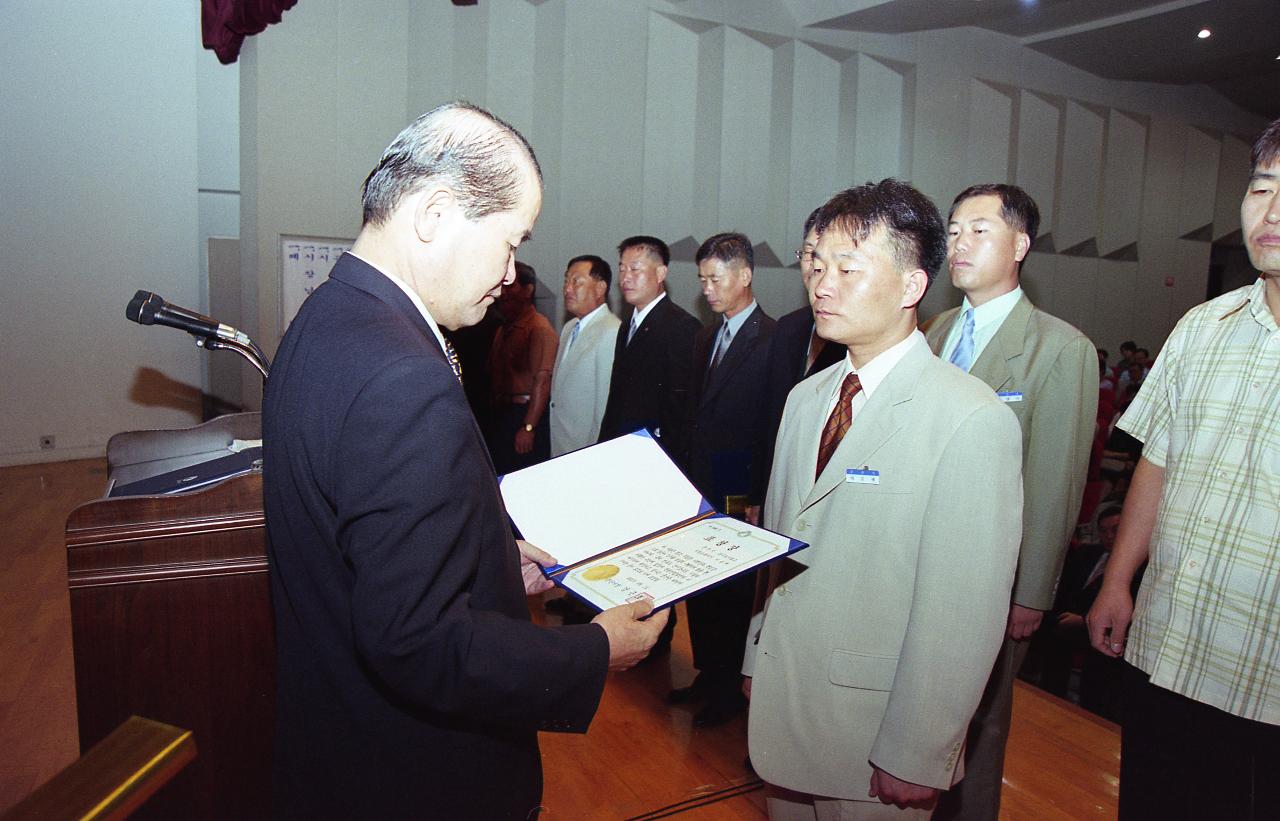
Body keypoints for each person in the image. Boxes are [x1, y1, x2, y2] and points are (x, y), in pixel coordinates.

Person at [262, 101, 667, 821]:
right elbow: (417, 641)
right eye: (510, 242)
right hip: (419, 777)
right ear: (436, 214)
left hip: (340, 751)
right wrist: (592, 650)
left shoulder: (326, 320)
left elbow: (373, 554)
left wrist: (490, 568)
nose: (512, 274)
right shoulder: (400, 373)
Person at [744, 179, 1023, 820]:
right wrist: (757, 654)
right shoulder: (806, 399)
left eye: (848, 268)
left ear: (911, 286)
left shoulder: (970, 418)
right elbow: (781, 551)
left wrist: (919, 750)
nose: (822, 284)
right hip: (788, 703)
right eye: (818, 266)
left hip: (877, 731)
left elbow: (965, 610)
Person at [1087, 117, 1280, 821]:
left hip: (1265, 679)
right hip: (1167, 647)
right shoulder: (1201, 327)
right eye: (1263, 187)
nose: (1273, 211)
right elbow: (1156, 463)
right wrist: (1116, 581)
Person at [924, 184, 1097, 821]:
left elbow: (1056, 480)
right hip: (920, 561)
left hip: (993, 577)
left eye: (980, 230)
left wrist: (1033, 594)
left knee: (980, 726)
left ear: (1020, 245)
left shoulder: (1060, 349)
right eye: (953, 230)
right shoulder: (936, 330)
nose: (959, 244)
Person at [670, 232, 776, 727]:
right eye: (702, 280)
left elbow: (771, 422)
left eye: (716, 279)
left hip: (738, 479)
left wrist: (757, 493)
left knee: (733, 588)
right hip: (699, 477)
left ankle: (731, 687)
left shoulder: (772, 339)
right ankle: (708, 672)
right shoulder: (704, 337)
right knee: (700, 582)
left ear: (745, 275)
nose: (707, 289)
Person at [748, 207, 847, 524]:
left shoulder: (852, 334)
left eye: (829, 259)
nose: (815, 268)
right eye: (809, 255)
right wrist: (757, 495)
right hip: (779, 490)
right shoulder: (787, 327)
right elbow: (768, 419)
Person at [597, 235, 701, 456]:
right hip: (620, 446)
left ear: (661, 273)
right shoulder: (627, 326)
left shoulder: (682, 326)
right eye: (622, 269)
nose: (625, 278)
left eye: (635, 269)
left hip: (653, 452)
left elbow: (678, 408)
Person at [549, 254, 620, 457]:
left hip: (584, 451)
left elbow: (603, 408)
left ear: (600, 288)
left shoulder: (611, 331)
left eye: (576, 282)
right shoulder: (569, 328)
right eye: (566, 281)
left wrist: (594, 455)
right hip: (559, 445)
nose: (567, 289)